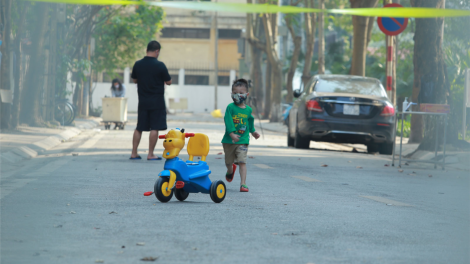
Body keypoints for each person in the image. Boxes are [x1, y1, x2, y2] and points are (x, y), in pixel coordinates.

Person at [130, 40, 171, 160]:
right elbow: (168, 81)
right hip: (157, 102)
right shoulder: (160, 65)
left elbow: (134, 80)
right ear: (157, 51)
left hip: (143, 101)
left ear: (147, 50)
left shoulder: (138, 64)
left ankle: (134, 153)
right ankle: (150, 154)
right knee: (155, 127)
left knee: (139, 127)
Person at [222, 79, 260, 192]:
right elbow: (228, 121)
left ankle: (243, 184)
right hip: (229, 141)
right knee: (229, 162)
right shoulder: (230, 107)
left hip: (243, 140)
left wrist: (253, 132)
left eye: (241, 92)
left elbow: (250, 122)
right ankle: (230, 170)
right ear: (231, 94)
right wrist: (232, 134)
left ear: (247, 94)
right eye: (235, 93)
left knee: (242, 162)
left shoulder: (248, 110)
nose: (238, 95)